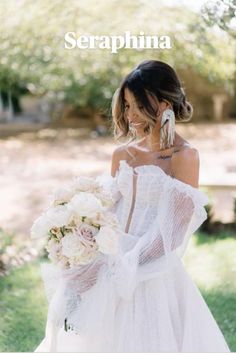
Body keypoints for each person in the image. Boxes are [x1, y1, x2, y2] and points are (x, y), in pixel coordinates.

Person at [35, 60, 230, 352]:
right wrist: (87, 250)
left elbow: (174, 231)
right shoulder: (122, 154)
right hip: (110, 262)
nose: (131, 114)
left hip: (152, 273)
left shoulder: (184, 156)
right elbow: (107, 212)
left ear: (164, 103)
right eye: (127, 106)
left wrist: (126, 266)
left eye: (139, 105)